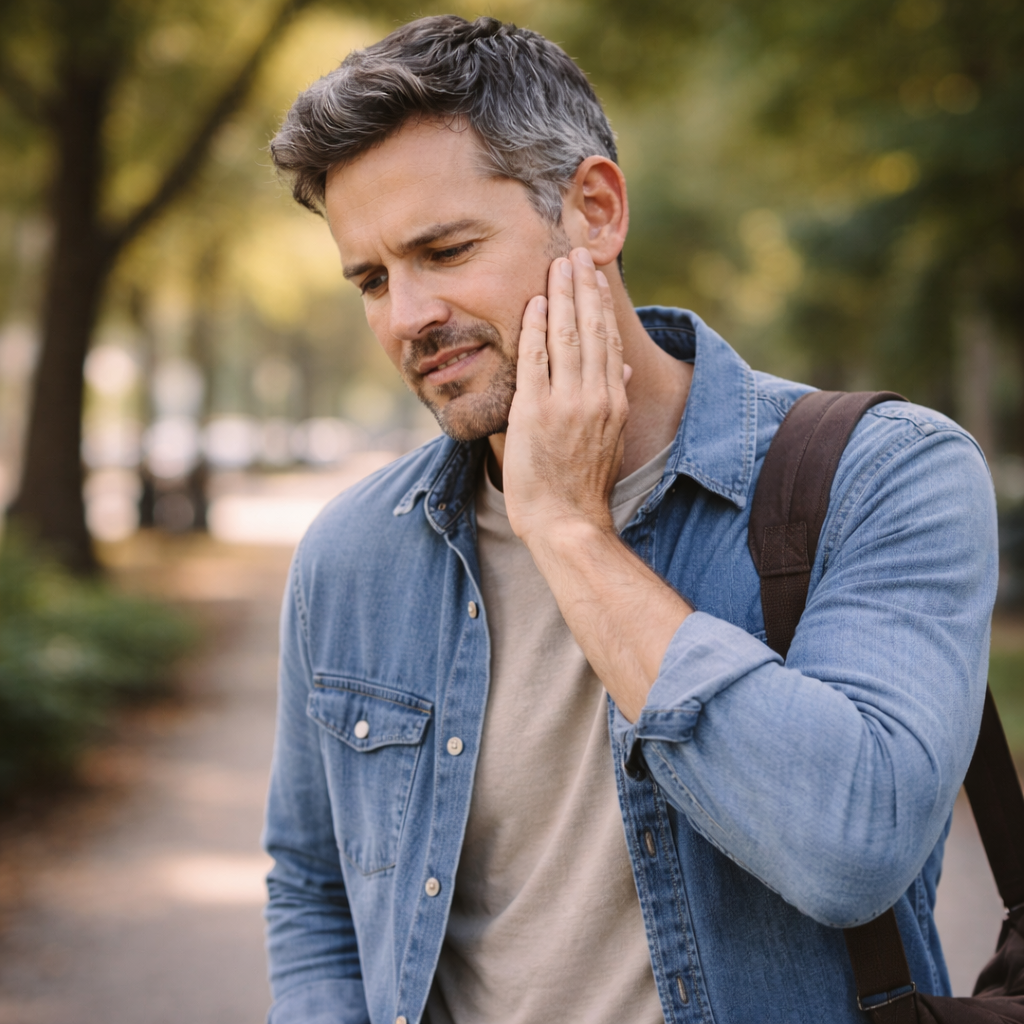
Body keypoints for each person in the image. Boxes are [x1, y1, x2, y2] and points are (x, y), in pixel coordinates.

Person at [262, 14, 998, 1024]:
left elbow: (853, 850)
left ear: (595, 212)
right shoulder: (354, 554)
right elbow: (314, 888)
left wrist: (570, 531)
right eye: (373, 280)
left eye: (446, 249)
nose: (407, 317)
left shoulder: (885, 475)